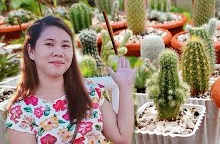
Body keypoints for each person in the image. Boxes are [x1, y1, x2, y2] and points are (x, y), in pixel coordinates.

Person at [5, 16, 135, 144]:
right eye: (49, 44)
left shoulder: (89, 91)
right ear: (31, 51)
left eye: (65, 45)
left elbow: (122, 138)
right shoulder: (21, 113)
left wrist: (125, 86)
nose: (58, 52)